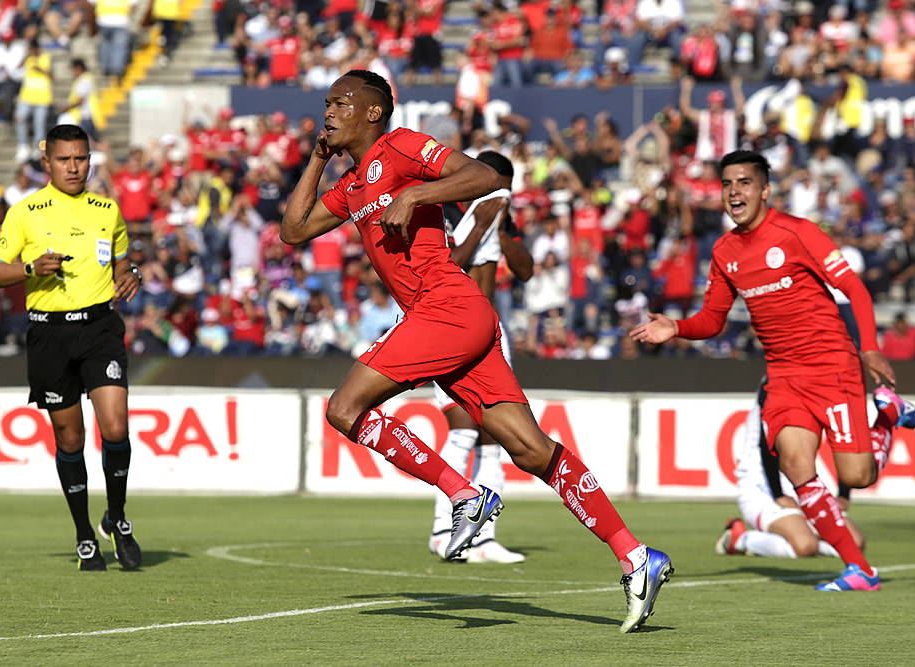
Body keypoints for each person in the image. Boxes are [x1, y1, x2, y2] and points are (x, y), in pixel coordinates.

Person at [282, 70, 672, 632]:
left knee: (344, 409)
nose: (329, 111)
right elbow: (293, 232)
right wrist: (317, 160)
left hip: (446, 309)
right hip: (459, 322)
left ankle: (462, 493)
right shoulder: (350, 187)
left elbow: (484, 174)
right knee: (531, 451)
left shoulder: (404, 146)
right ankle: (636, 556)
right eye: (326, 103)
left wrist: (419, 191)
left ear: (373, 111)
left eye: (341, 102)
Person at [631, 150, 915, 592]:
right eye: (727, 184)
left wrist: (870, 349)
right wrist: (677, 327)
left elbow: (853, 289)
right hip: (783, 377)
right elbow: (713, 319)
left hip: (833, 367)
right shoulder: (724, 251)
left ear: (765, 190)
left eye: (744, 182)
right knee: (796, 464)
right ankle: (860, 569)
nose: (734, 191)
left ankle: (885, 417)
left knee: (858, 476)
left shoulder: (798, 233)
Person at [0, 124, 144, 572]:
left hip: (99, 329)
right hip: (49, 334)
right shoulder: (25, 212)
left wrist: (133, 274)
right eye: (65, 160)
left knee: (115, 426)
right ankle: (84, 534)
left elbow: (123, 258)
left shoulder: (107, 210)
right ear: (47, 163)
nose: (75, 167)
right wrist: (30, 267)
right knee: (70, 436)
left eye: (82, 158)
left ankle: (118, 517)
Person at [427, 150, 533, 564]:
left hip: (491, 331)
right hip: (449, 328)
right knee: (463, 430)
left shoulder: (504, 216)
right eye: (496, 183)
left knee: (496, 436)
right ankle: (443, 529)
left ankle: (484, 538)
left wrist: (502, 228)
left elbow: (524, 271)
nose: (503, 191)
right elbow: (447, 268)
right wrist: (483, 223)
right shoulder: (449, 211)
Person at [715, 378, 864, 560]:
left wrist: (844, 493)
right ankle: (739, 539)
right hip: (762, 481)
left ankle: (800, 535)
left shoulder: (827, 380)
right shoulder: (775, 380)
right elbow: (766, 443)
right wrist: (778, 495)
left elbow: (843, 437)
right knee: (805, 546)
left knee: (855, 542)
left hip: (798, 479)